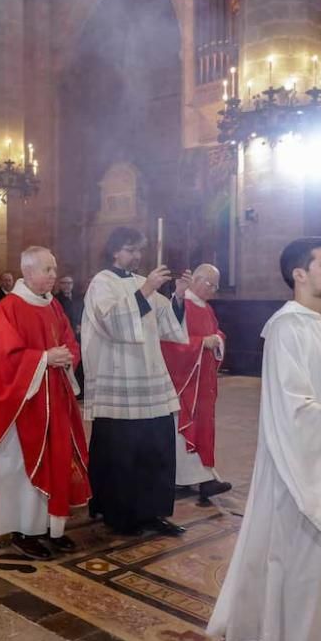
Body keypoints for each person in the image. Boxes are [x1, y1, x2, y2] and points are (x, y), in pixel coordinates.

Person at [208, 236, 321, 641]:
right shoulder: (287, 329)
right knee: (303, 568)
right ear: (299, 274)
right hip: (301, 471)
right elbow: (294, 410)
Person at [0, 247, 90, 560]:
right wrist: (45, 358)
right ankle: (23, 531)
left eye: (54, 269)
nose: (53, 275)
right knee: (23, 467)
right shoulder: (8, 309)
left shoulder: (54, 307)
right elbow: (2, 358)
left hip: (55, 401)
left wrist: (65, 357)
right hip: (22, 407)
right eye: (47, 270)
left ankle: (51, 526)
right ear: (28, 272)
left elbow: (69, 342)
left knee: (58, 460)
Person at [80, 227, 191, 536]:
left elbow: (168, 326)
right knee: (121, 453)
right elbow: (113, 323)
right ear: (115, 251)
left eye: (139, 250)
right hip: (120, 382)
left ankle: (153, 512)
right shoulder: (101, 283)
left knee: (156, 449)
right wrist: (145, 292)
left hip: (150, 381)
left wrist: (179, 295)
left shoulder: (145, 283)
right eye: (130, 249)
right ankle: (119, 514)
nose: (136, 256)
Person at [160, 264, 232, 505]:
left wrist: (217, 339)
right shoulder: (181, 305)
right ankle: (200, 479)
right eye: (210, 284)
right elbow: (170, 343)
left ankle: (203, 476)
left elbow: (217, 333)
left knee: (203, 427)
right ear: (196, 280)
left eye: (216, 286)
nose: (213, 290)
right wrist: (203, 343)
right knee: (185, 427)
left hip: (203, 380)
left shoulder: (206, 308)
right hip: (185, 380)